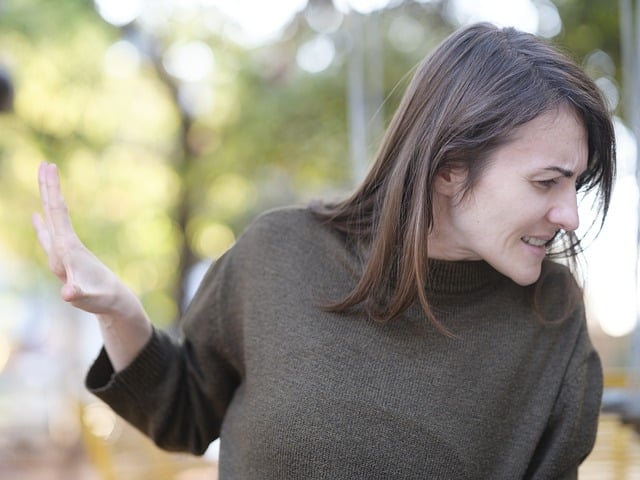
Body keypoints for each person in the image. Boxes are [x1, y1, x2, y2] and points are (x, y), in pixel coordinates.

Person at [34, 22, 615, 479]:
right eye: (546, 182)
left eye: (575, 184)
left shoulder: (553, 319)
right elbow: (183, 413)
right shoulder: (278, 253)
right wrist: (118, 310)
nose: (569, 215)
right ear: (450, 166)